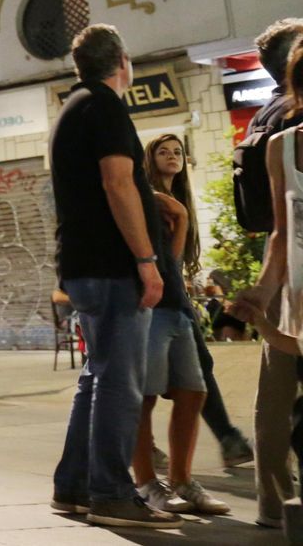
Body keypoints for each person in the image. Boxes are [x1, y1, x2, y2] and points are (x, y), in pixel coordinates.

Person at [48, 24, 179, 530]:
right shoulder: (105, 106)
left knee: (97, 377)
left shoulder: (73, 107)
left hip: (85, 266)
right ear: (123, 62)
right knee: (120, 382)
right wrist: (147, 260)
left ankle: (74, 486)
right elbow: (118, 180)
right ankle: (111, 492)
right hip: (113, 268)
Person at [125, 135, 227, 515]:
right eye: (163, 152)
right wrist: (179, 218)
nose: (172, 157)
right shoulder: (150, 199)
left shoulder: (175, 200)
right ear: (150, 159)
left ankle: (183, 480)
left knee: (192, 391)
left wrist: (182, 216)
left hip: (177, 307)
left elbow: (176, 261)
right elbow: (165, 258)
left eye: (179, 152)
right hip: (153, 306)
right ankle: (148, 483)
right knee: (146, 397)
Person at [240, 19, 303, 528]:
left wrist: (261, 290)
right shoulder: (286, 123)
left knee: (276, 395)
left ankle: (271, 504)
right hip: (291, 262)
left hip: (281, 262)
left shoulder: (265, 120)